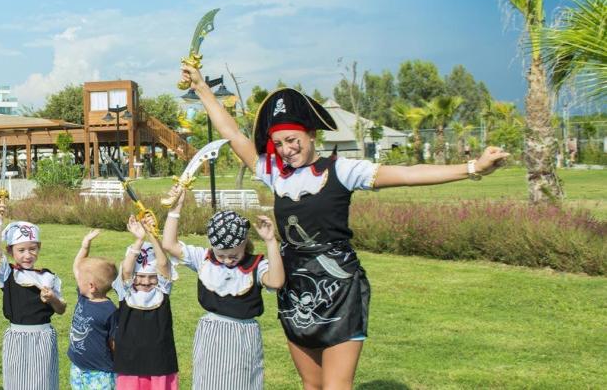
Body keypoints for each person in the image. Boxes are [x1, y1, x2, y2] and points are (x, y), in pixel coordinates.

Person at [180, 65, 510, 390]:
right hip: (294, 288)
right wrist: (201, 88)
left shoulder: (343, 170)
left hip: (339, 287)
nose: (286, 150)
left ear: (311, 134)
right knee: (312, 383)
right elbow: (233, 134)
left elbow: (409, 174)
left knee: (337, 385)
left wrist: (473, 167)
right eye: (278, 143)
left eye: (292, 140)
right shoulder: (275, 173)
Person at [158, 188, 283, 390]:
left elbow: (276, 282)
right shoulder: (204, 259)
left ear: (245, 244)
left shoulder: (255, 265)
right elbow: (169, 244)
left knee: (241, 383)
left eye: (234, 256)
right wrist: (176, 209)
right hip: (211, 334)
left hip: (242, 337)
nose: (227, 260)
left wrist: (270, 241)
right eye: (221, 255)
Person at [0, 199, 66, 389]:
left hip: (43, 338)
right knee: (17, 382)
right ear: (10, 251)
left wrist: (52, 298)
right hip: (17, 338)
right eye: (21, 250)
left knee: (41, 383)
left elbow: (62, 309)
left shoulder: (48, 277)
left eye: (32, 249)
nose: (27, 255)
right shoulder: (8, 274)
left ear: (39, 248)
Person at [113, 216, 179, 390]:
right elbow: (127, 269)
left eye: (152, 277)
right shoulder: (126, 291)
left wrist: (151, 235)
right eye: (140, 276)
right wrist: (139, 240)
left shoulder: (162, 290)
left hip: (160, 361)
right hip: (129, 362)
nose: (146, 281)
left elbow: (163, 263)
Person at [67, 229, 119, 389]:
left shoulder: (110, 311)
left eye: (80, 278)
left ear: (91, 286)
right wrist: (85, 246)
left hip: (100, 373)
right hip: (78, 367)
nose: (77, 277)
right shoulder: (84, 296)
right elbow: (77, 266)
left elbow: (114, 343)